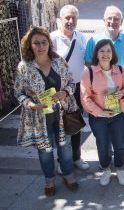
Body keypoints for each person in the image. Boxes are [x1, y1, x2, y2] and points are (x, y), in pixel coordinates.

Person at [14, 27, 79, 196]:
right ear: (30, 45)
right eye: (36, 43)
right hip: (39, 118)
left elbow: (72, 83)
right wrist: (30, 104)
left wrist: (65, 92)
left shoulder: (59, 62)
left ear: (49, 44)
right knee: (45, 150)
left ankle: (68, 174)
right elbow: (18, 92)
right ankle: (49, 179)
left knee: (65, 148)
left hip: (62, 114)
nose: (41, 46)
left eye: (44, 43)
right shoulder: (24, 67)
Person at [85, 6, 124, 167]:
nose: (113, 22)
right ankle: (106, 156)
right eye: (110, 18)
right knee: (103, 126)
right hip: (100, 95)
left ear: (122, 22)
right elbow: (88, 64)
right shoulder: (93, 41)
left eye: (116, 19)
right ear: (104, 20)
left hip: (122, 92)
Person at [81, 40, 124, 186]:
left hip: (118, 115)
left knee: (119, 144)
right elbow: (85, 98)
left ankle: (120, 168)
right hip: (99, 117)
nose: (105, 54)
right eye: (101, 51)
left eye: (108, 51)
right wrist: (100, 112)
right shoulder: (88, 72)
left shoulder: (119, 70)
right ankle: (106, 169)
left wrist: (122, 93)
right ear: (96, 53)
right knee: (102, 145)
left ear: (113, 53)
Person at [50, 5, 89, 172]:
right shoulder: (52, 39)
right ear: (60, 19)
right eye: (67, 18)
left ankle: (76, 157)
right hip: (59, 89)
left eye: (74, 18)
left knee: (76, 124)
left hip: (78, 88)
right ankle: (62, 160)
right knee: (60, 126)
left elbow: (87, 62)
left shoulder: (81, 38)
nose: (71, 21)